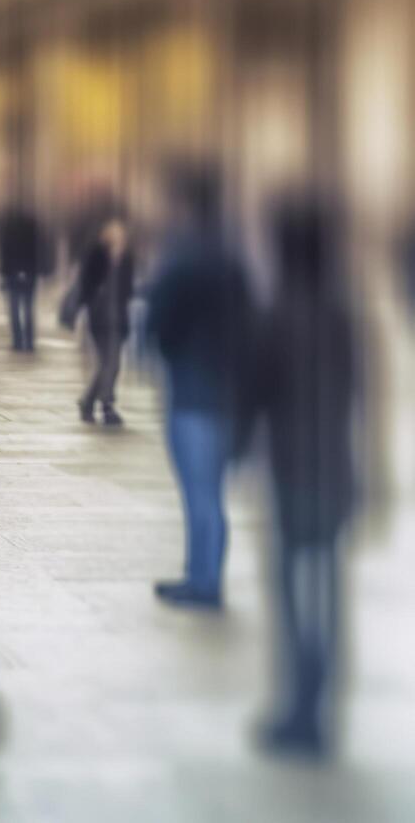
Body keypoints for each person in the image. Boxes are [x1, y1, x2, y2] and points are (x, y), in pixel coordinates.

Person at [244, 197, 362, 758]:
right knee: (331, 585)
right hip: (335, 465)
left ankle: (301, 699)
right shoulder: (342, 313)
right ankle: (322, 699)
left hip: (293, 469)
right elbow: (361, 393)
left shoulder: (276, 312)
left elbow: (256, 391)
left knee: (292, 584)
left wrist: (241, 446)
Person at [145, 163, 253, 609]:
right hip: (227, 388)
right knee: (213, 490)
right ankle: (203, 573)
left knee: (198, 491)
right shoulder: (232, 256)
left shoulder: (182, 255)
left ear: (185, 202)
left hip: (191, 389)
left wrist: (165, 352)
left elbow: (159, 322)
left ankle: (203, 581)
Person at [63, 217, 135, 426]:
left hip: (119, 318)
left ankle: (90, 402)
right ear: (105, 234)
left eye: (120, 233)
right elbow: (85, 285)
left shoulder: (127, 258)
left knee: (112, 364)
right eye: (113, 232)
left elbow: (128, 289)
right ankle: (104, 405)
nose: (117, 237)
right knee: (108, 364)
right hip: (100, 318)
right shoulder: (96, 254)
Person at [0, 203, 47, 352]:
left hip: (12, 270)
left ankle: (17, 341)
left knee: (14, 306)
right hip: (30, 270)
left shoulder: (7, 227)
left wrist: (3, 270)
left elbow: (4, 250)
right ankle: (30, 342)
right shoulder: (33, 226)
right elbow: (39, 249)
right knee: (28, 307)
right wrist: (40, 268)